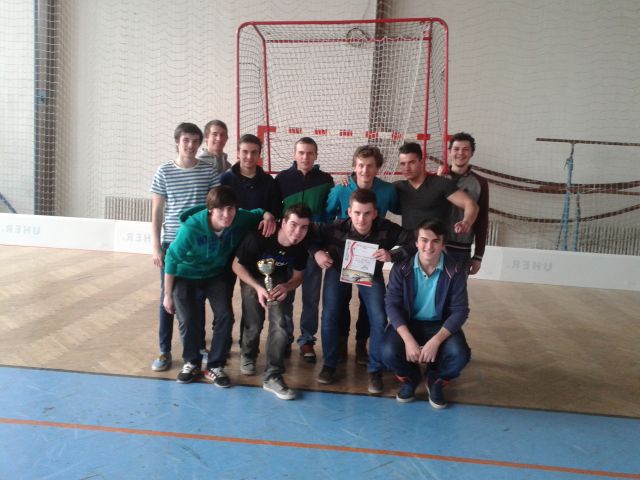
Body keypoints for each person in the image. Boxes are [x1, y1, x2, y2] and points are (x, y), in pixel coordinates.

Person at [163, 186, 276, 386]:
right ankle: (191, 362)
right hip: (186, 275)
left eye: (230, 208)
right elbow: (171, 258)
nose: (226, 214)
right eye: (220, 209)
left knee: (225, 317)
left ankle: (215, 366)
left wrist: (269, 217)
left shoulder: (240, 218)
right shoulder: (191, 228)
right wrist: (167, 295)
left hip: (215, 275)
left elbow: (260, 213)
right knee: (188, 319)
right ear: (210, 210)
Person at [310, 188, 414, 394]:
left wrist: (393, 255)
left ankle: (375, 370)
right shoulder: (336, 226)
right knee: (329, 314)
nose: (361, 219)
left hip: (370, 274)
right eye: (357, 213)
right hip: (337, 269)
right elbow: (307, 231)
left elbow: (415, 239)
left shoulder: (386, 228)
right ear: (349, 212)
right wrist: (316, 252)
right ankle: (329, 364)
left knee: (379, 317)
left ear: (375, 213)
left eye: (367, 213)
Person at [149, 122, 219, 372]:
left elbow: (214, 209)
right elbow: (157, 212)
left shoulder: (209, 171)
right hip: (172, 244)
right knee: (167, 297)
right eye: (186, 140)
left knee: (196, 297)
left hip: (198, 246)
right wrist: (156, 247)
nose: (190, 145)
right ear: (177, 142)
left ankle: (198, 347)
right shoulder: (164, 171)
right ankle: (164, 350)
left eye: (195, 141)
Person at [381, 218, 471, 409]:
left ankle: (435, 378)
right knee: (387, 352)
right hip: (409, 322)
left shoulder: (455, 270)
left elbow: (460, 311)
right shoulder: (401, 268)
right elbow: (392, 305)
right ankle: (410, 377)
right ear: (416, 242)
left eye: (435, 241)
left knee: (460, 355)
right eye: (424, 240)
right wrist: (408, 340)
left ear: (443, 244)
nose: (428, 246)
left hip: (440, 325)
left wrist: (436, 341)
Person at [325, 145, 398, 365]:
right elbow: (326, 215)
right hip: (342, 256)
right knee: (341, 302)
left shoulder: (388, 190)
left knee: (370, 306)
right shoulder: (340, 189)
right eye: (360, 165)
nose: (365, 170)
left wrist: (393, 252)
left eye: (370, 166)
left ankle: (361, 344)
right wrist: (325, 247)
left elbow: (406, 208)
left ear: (378, 168)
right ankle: (341, 343)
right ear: (354, 167)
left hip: (370, 256)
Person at [232, 204, 312, 400]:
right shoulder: (258, 237)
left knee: (280, 324)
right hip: (251, 277)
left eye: (304, 227)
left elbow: (298, 276)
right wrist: (257, 287)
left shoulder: (302, 246)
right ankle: (248, 354)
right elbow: (236, 266)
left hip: (277, 280)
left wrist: (287, 286)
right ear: (282, 223)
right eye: (293, 225)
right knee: (254, 322)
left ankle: (273, 375)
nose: (298, 232)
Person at [275, 137, 334, 364]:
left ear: (316, 155)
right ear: (294, 154)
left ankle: (307, 340)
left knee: (311, 298)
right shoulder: (282, 179)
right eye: (301, 152)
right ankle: (285, 337)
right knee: (286, 295)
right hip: (286, 250)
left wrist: (320, 247)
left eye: (310, 153)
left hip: (313, 250)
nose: (305, 157)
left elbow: (328, 216)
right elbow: (277, 213)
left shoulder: (326, 180)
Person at [393, 142, 478, 232]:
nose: (407, 168)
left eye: (412, 162)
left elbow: (470, 204)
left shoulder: (441, 183)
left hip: (436, 240)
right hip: (408, 240)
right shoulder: (398, 187)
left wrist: (466, 222)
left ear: (421, 162)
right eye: (403, 164)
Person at [440, 132, 489, 275]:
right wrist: (438, 180)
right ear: (449, 152)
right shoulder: (437, 178)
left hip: (461, 251)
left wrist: (478, 256)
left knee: (457, 289)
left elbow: (482, 220)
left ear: (472, 153)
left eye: (465, 149)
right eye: (456, 149)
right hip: (435, 246)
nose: (460, 153)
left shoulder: (480, 182)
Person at [220, 133, 281, 217]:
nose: (249, 156)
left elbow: (275, 211)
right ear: (238, 153)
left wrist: (269, 218)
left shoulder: (269, 181)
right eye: (245, 152)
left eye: (254, 152)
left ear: (259, 155)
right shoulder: (224, 180)